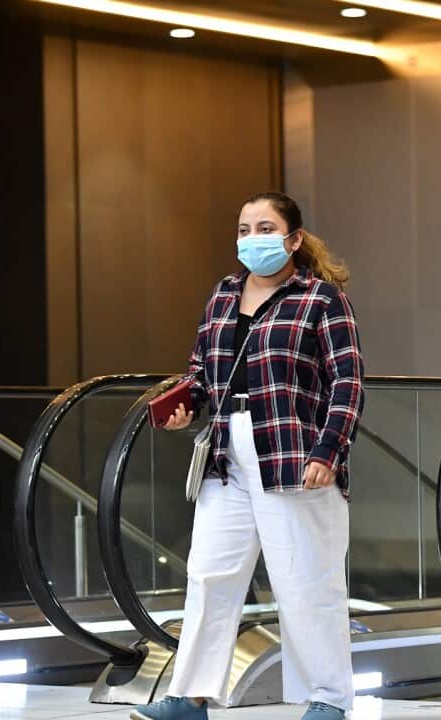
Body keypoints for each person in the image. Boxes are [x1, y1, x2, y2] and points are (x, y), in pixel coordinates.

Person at [132, 191, 364, 720]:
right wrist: (187, 403)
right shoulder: (222, 296)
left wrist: (329, 449)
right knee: (209, 576)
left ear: (294, 239)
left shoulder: (321, 300)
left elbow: (348, 382)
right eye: (244, 229)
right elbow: (200, 372)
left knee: (307, 583)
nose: (252, 239)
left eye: (265, 228)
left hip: (294, 455)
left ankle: (328, 699)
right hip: (226, 455)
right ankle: (190, 696)